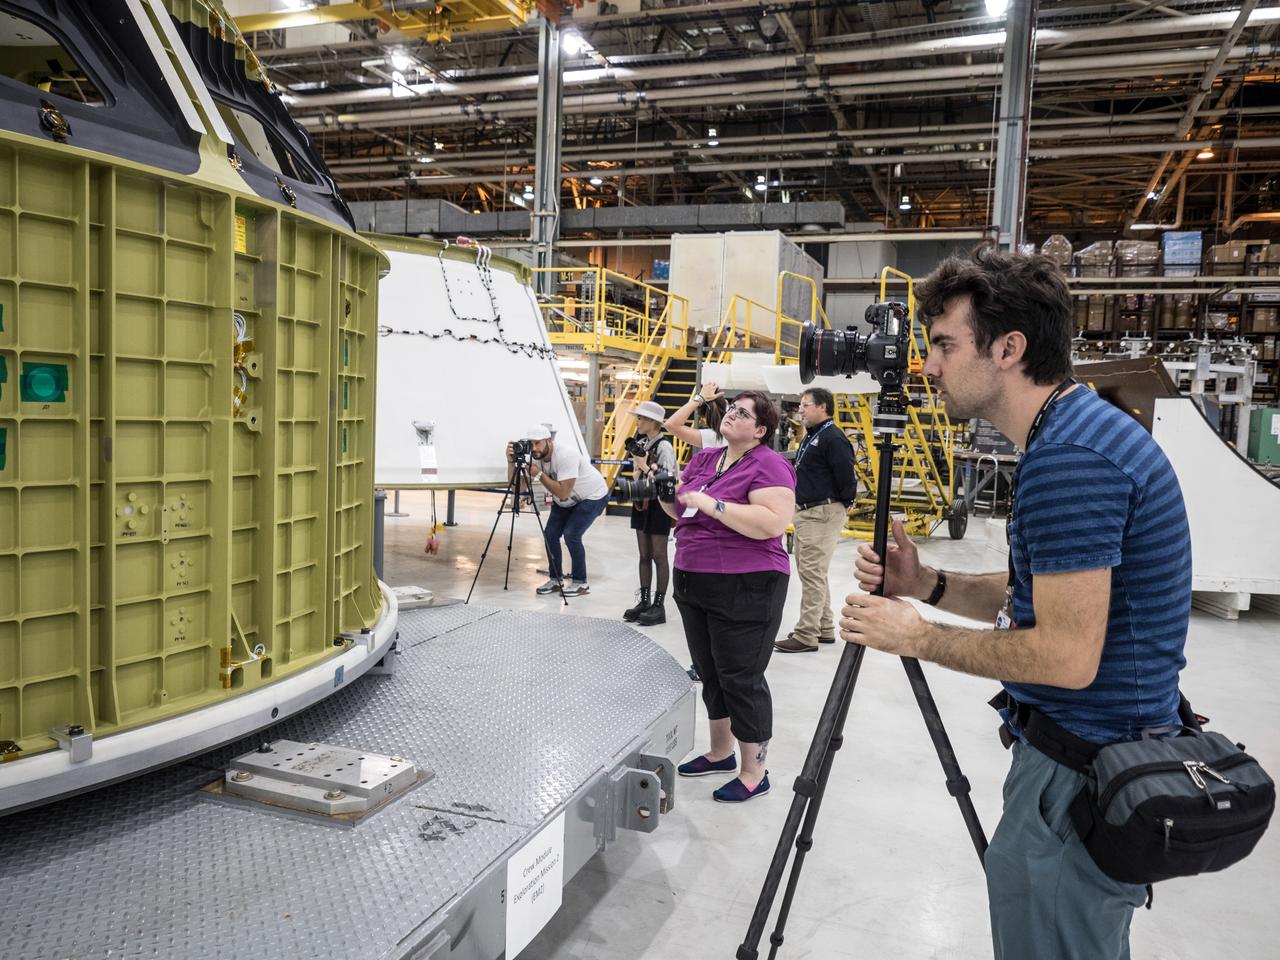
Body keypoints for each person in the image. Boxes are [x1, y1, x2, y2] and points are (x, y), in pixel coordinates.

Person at [841, 247, 1191, 959]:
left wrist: (918, 636)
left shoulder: (1071, 459)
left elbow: (1064, 654)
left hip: (1080, 779)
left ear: (1008, 348)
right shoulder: (1075, 433)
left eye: (944, 345)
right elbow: (1040, 596)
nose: (929, 365)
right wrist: (927, 585)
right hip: (1088, 763)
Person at [660, 390, 796, 803]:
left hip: (747, 582)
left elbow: (772, 523)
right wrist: (668, 495)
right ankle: (721, 752)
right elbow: (682, 511)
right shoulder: (705, 458)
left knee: (741, 677)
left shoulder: (770, 464)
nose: (732, 415)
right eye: (731, 409)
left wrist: (712, 503)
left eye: (742, 413)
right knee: (710, 671)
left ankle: (755, 770)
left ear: (760, 430)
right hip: (693, 577)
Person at [774, 387, 858, 654]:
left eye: (805, 405)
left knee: (811, 573)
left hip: (821, 512)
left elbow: (847, 476)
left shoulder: (832, 438)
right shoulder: (815, 436)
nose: (800, 410)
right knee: (814, 572)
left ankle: (806, 634)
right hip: (810, 511)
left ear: (823, 407)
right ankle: (823, 628)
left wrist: (843, 503)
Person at [508, 425, 609, 597]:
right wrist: (510, 462)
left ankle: (580, 582)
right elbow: (519, 488)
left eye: (537, 443)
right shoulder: (534, 458)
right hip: (565, 501)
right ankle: (556, 580)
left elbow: (563, 492)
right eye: (530, 444)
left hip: (592, 496)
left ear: (549, 441)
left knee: (572, 535)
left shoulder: (566, 455)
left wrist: (538, 474)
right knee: (550, 535)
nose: (534, 448)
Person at [622, 400, 677, 626]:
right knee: (644, 555)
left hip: (659, 507)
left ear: (653, 422)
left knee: (659, 556)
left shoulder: (664, 447)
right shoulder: (642, 443)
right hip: (642, 502)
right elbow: (638, 475)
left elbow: (668, 480)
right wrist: (638, 470)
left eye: (642, 418)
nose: (638, 421)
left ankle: (659, 605)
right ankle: (644, 601)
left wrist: (644, 466)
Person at [664, 381, 728, 451]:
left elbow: (670, 425)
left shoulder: (711, 437)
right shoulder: (736, 433)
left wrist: (699, 398)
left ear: (703, 418)